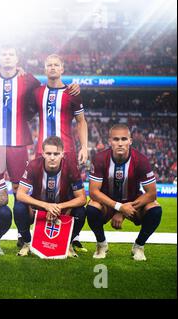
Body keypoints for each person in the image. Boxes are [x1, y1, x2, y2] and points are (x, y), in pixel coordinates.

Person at [31, 54, 88, 252]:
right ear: (45, 69)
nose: (53, 68)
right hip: (41, 150)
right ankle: (34, 236)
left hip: (68, 150)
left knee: (69, 193)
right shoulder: (37, 92)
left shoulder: (73, 92)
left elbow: (81, 122)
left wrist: (84, 147)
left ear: (62, 69)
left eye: (56, 65)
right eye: (49, 65)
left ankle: (69, 237)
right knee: (39, 190)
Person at [86, 124, 162, 261]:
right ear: (109, 141)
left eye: (123, 139)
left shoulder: (141, 160)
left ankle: (139, 246)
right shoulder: (100, 159)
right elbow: (93, 192)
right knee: (91, 208)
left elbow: (151, 194)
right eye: (115, 139)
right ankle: (101, 244)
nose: (120, 143)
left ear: (130, 141)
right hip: (108, 203)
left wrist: (122, 210)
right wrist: (119, 207)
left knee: (155, 209)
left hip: (132, 203)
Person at [13, 136, 86, 257]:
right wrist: (46, 206)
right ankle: (27, 242)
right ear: (43, 154)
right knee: (19, 207)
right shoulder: (33, 165)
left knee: (81, 212)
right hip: (38, 209)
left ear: (62, 154)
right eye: (49, 153)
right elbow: (20, 194)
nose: (52, 157)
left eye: (56, 153)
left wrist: (57, 207)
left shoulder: (71, 167)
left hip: (62, 210)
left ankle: (68, 244)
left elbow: (82, 198)